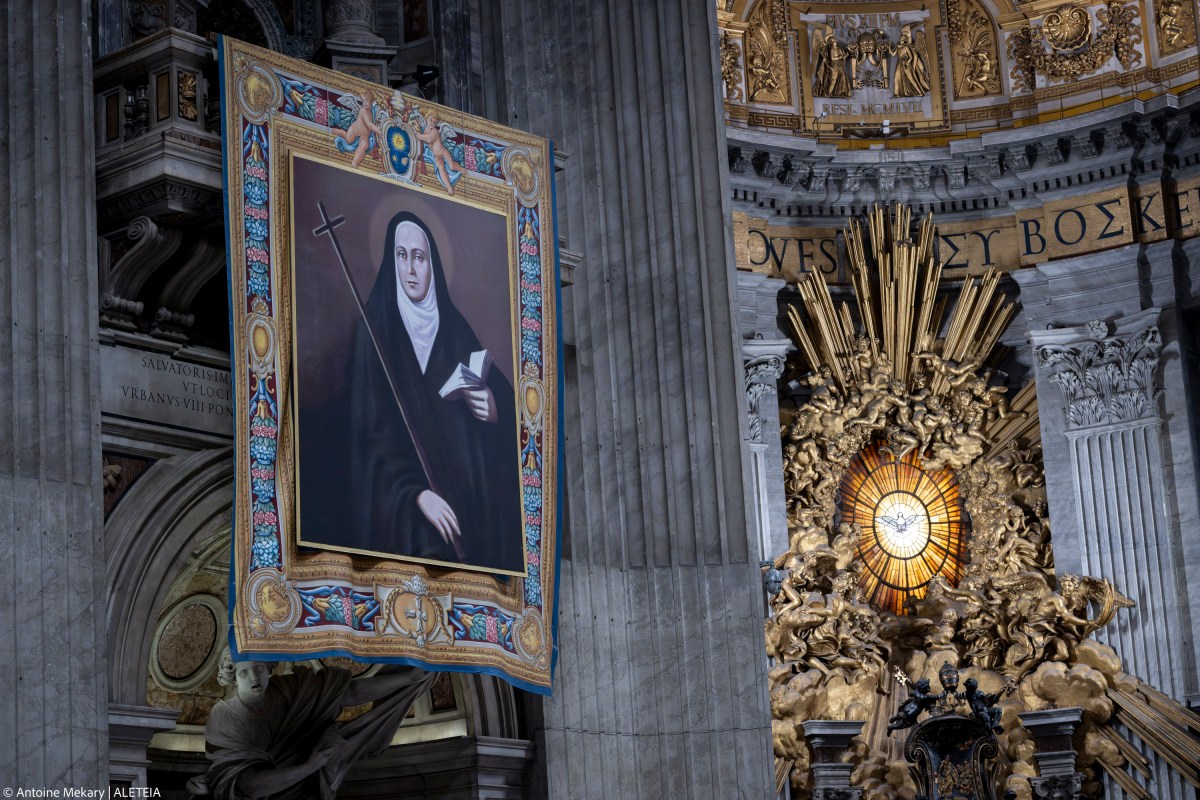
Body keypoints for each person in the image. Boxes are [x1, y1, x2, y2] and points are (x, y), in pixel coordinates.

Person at [347, 211, 522, 572]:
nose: (411, 269)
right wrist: (416, 495)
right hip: (406, 512)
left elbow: (517, 420)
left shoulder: (455, 329)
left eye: (420, 257)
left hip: (467, 515)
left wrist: (493, 407)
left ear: (433, 265)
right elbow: (367, 440)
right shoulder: (372, 334)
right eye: (401, 255)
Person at [197, 651, 436, 800]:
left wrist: (407, 678)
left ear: (269, 668)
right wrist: (311, 766)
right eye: (244, 672)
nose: (253, 678)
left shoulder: (289, 688)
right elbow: (250, 786)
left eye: (259, 668)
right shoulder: (225, 719)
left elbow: (345, 694)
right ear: (233, 676)